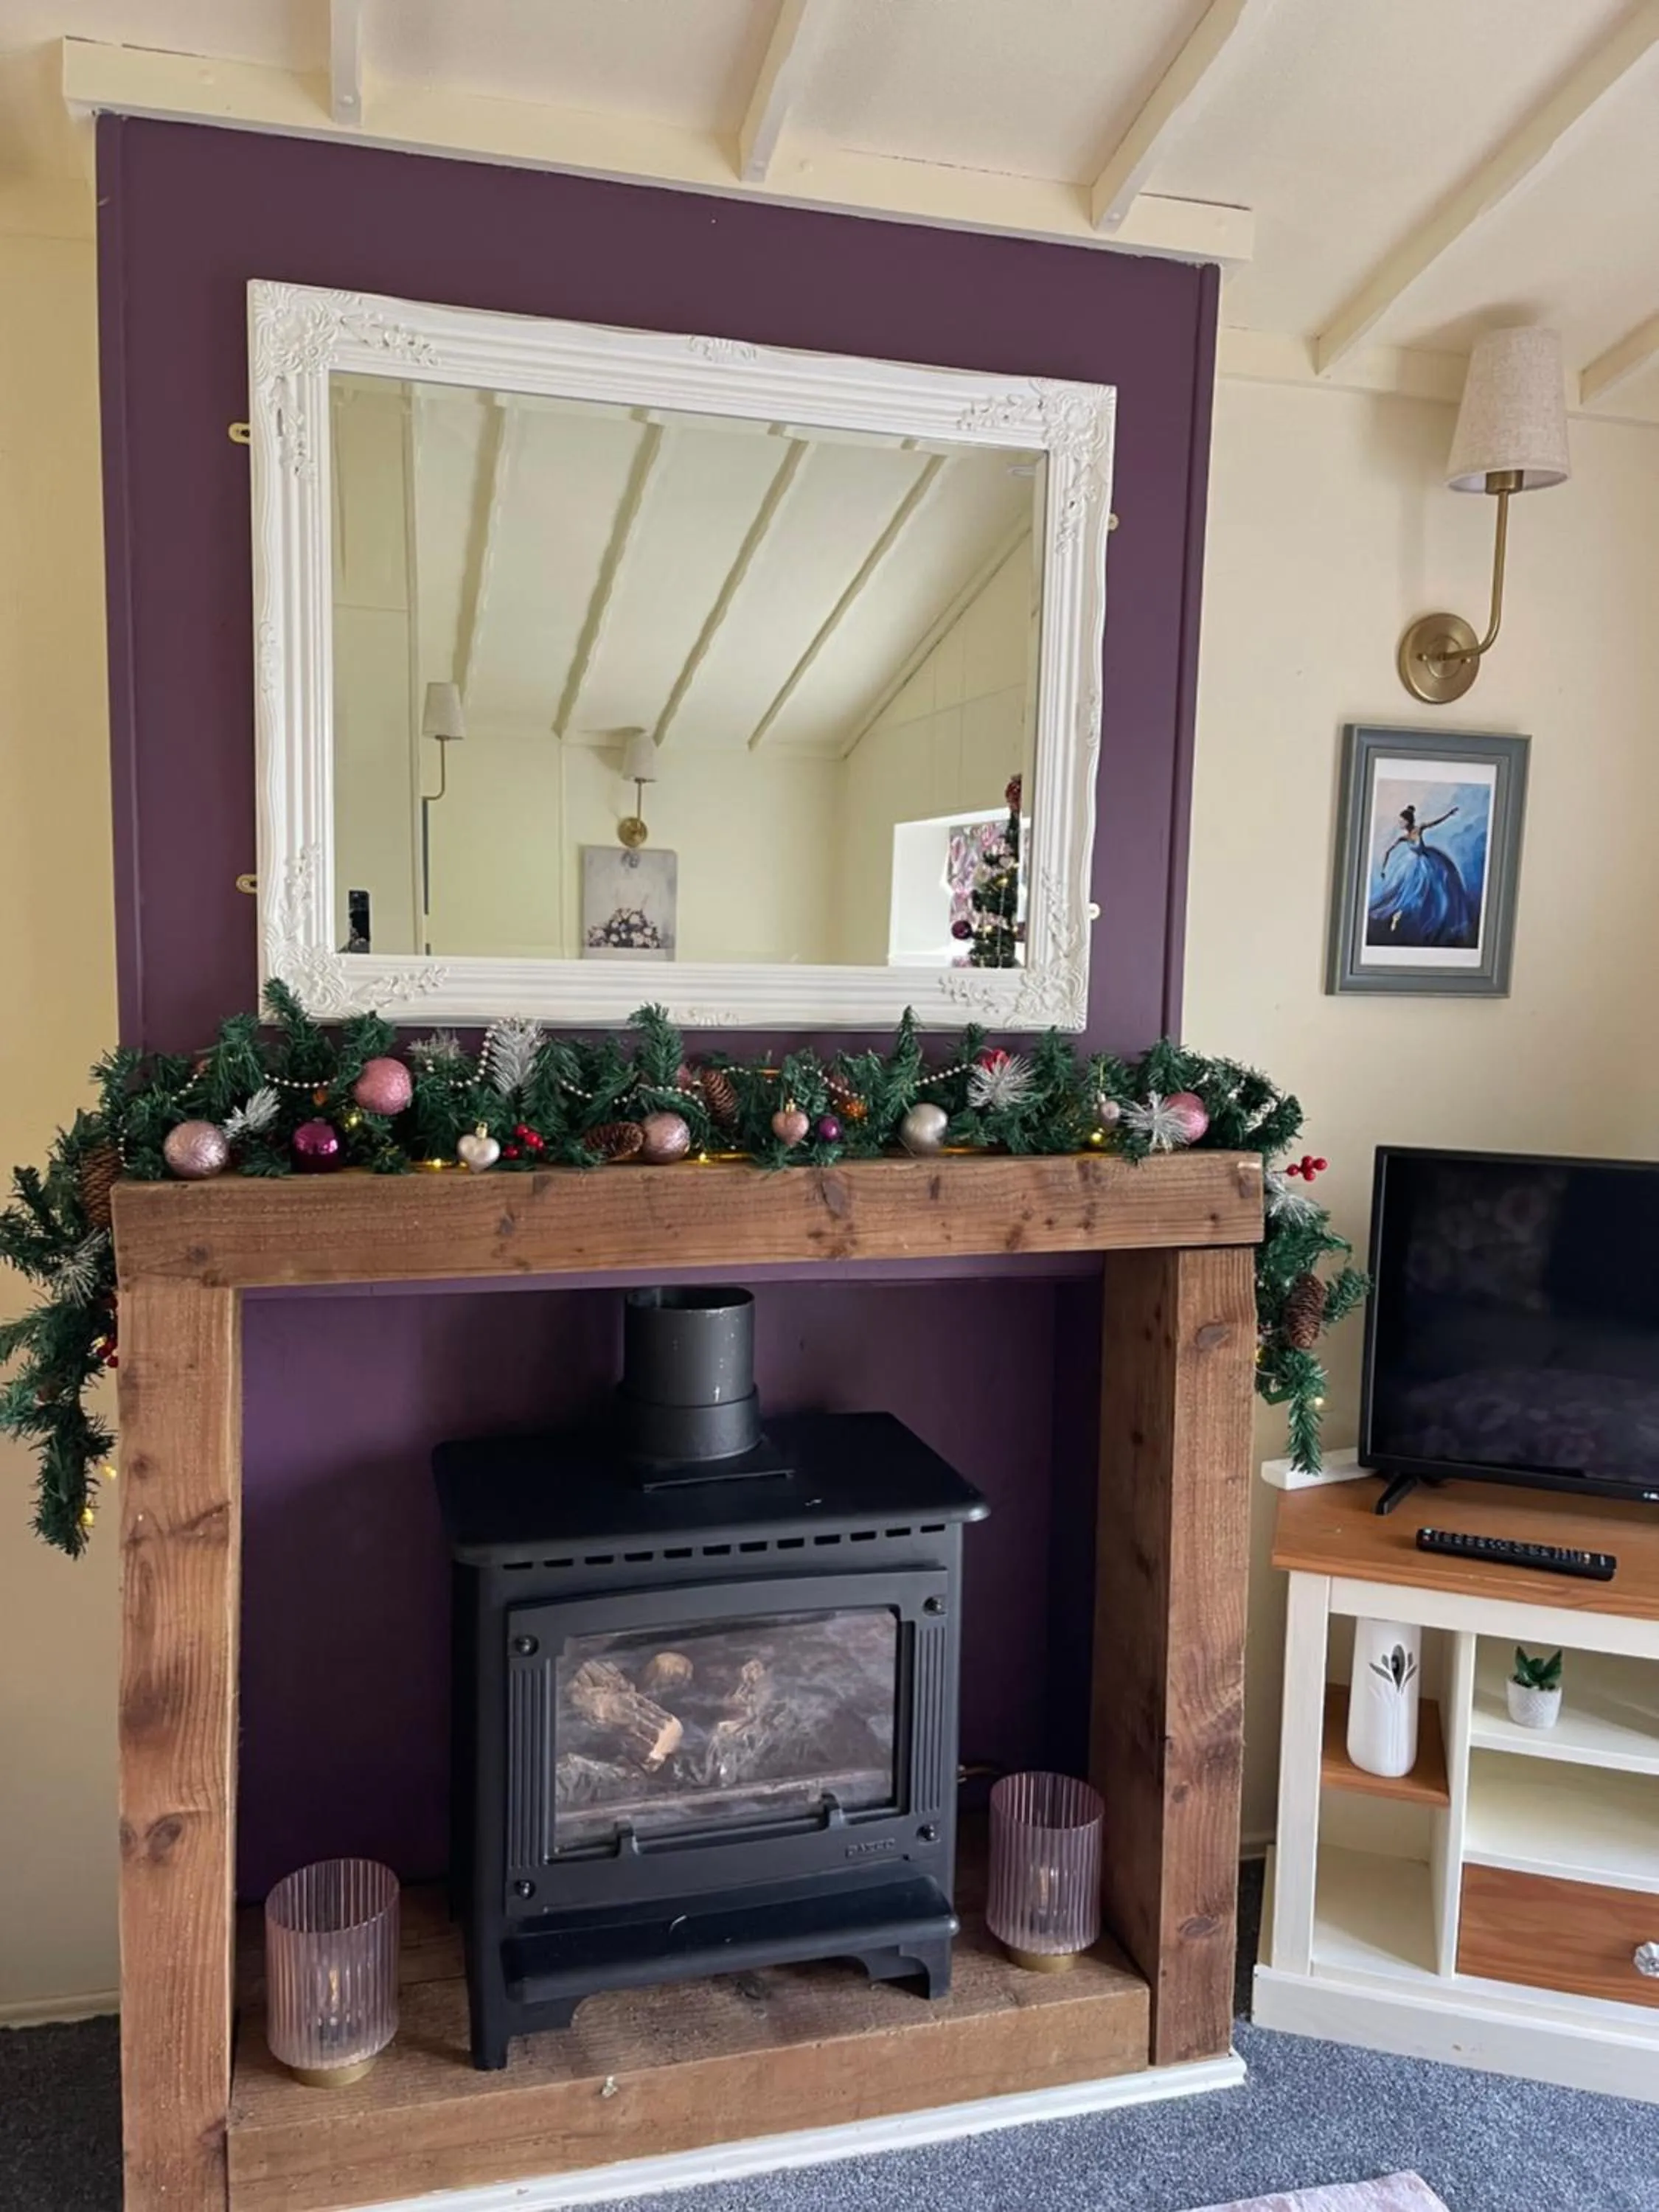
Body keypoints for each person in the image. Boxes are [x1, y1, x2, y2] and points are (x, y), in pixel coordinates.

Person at [1368, 802, 1478, 947]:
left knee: (1435, 889)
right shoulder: (1404, 838)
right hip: (1414, 865)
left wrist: (1449, 814)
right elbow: (1388, 851)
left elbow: (1435, 823)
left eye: (1402, 821)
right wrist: (1383, 869)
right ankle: (1398, 915)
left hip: (1428, 861)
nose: (1400, 824)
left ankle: (1427, 918)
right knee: (1407, 892)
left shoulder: (1419, 829)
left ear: (1408, 821)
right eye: (1400, 821)